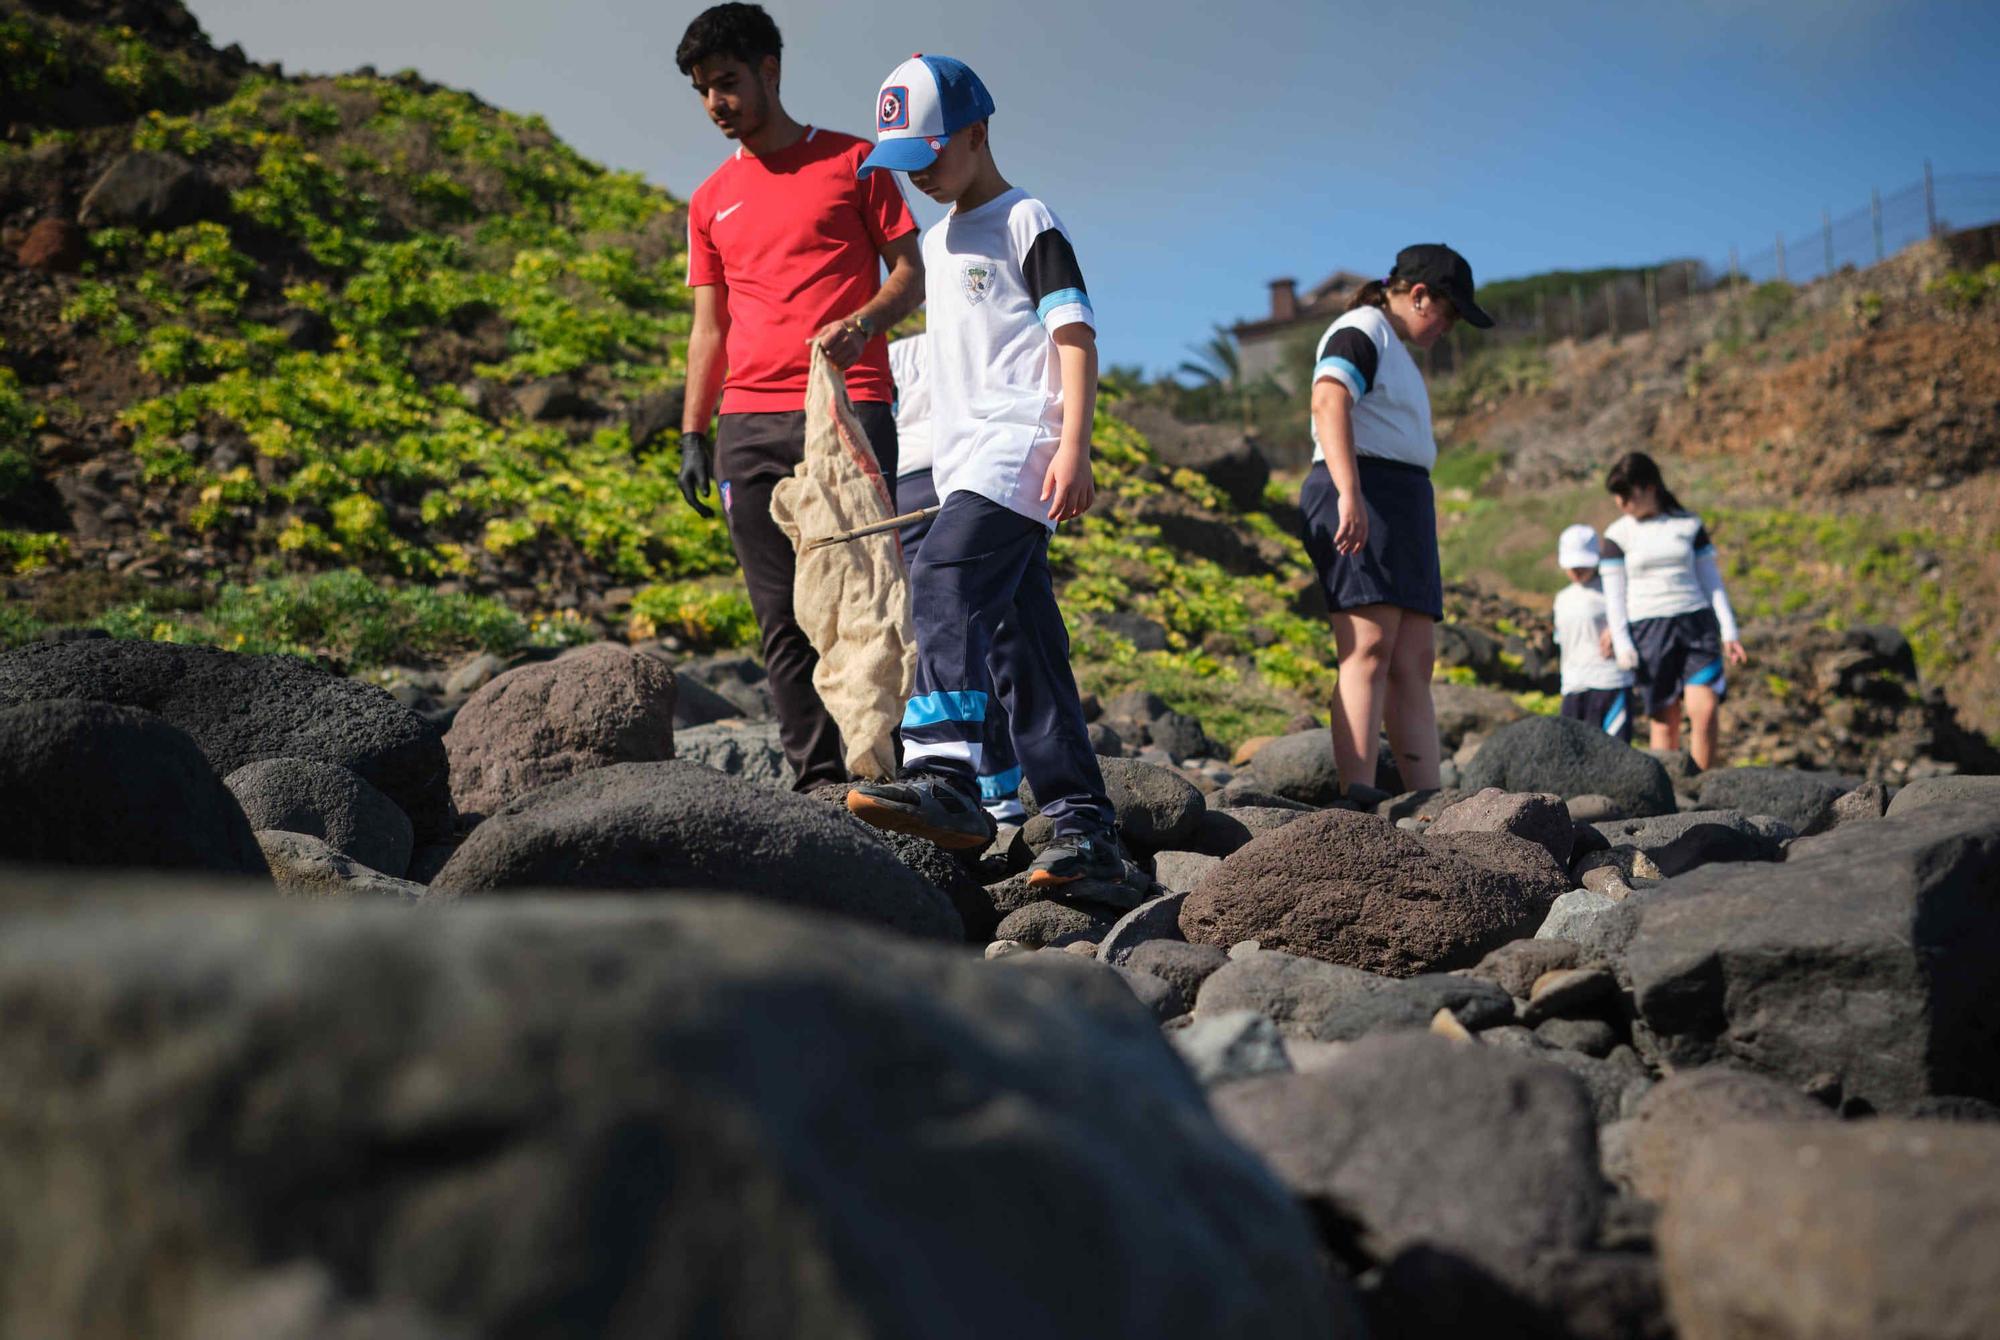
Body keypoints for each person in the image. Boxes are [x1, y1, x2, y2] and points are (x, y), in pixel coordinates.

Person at [844, 54, 1130, 891]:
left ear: (977, 133)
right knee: (1024, 649)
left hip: (1021, 450)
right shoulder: (935, 243)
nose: (921, 176)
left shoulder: (1024, 218)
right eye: (906, 164)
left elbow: (1073, 336)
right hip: (966, 459)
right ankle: (1086, 833)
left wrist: (1074, 445)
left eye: (930, 156)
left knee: (941, 580)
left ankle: (947, 779)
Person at [675, 4, 925, 791]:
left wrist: (864, 323)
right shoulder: (710, 198)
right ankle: (819, 785)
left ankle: (886, 771)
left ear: (769, 72)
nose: (717, 103)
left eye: (727, 83)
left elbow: (912, 273)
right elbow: (708, 328)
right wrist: (692, 433)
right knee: (780, 618)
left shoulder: (857, 163)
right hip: (746, 424)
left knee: (864, 597)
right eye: (703, 91)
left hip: (847, 407)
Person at [1299, 245, 1494, 799]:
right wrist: (1349, 492)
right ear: (1418, 295)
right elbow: (1328, 399)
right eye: (1448, 312)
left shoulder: (1395, 350)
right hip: (1363, 488)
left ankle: (1427, 798)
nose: (1449, 327)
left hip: (1402, 499)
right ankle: (1358, 792)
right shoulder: (1361, 329)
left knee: (1413, 655)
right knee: (1368, 646)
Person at [888, 332, 1026, 828]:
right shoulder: (970, 334)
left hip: (913, 484)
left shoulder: (889, 350)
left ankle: (964, 775)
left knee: (940, 632)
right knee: (986, 632)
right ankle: (999, 785)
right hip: (970, 475)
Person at [1599, 451, 1748, 769]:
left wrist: (1729, 631)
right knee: (1665, 719)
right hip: (1648, 628)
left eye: (1627, 493)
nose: (1621, 502)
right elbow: (1614, 597)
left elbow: (1712, 582)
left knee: (1705, 709)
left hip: (1696, 622)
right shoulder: (1616, 535)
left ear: (1650, 486)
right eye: (1616, 495)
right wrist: (1623, 644)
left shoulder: (1689, 525)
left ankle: (1702, 786)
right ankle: (1670, 800)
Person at [1553, 524, 1634, 742]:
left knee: (1614, 755)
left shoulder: (1615, 590)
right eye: (1573, 565)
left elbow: (1639, 615)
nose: (1578, 571)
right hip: (1573, 684)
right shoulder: (1562, 598)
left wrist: (1617, 629)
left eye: (1583, 564)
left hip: (1610, 682)